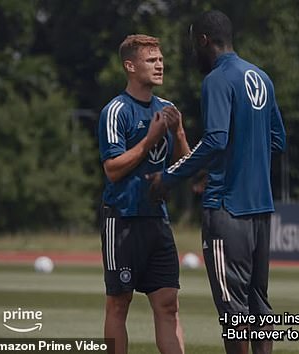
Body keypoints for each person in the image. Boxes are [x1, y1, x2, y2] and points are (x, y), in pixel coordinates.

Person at [147, 10, 286, 354]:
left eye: (194, 42)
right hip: (261, 210)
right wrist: (242, 161)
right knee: (258, 304)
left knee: (233, 310)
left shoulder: (217, 79)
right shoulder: (261, 77)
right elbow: (277, 140)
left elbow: (215, 140)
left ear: (204, 40)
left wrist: (169, 176)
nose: (194, 51)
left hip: (227, 209)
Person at [98, 34, 189, 354]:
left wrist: (178, 133)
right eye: (151, 60)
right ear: (130, 66)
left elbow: (184, 166)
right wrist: (150, 140)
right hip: (123, 219)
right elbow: (112, 168)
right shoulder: (116, 110)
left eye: (160, 59)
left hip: (157, 220)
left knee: (168, 304)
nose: (160, 64)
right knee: (118, 304)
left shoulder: (168, 109)